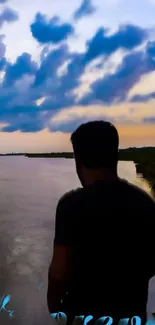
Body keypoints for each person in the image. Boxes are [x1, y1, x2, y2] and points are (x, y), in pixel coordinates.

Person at [47, 121, 155, 325]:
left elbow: (59, 274)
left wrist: (53, 306)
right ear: (115, 156)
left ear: (78, 160)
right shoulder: (145, 202)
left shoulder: (71, 205)